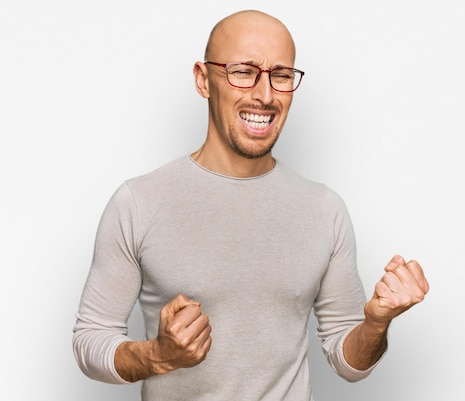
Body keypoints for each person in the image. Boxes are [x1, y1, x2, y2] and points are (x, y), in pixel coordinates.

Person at [72, 9, 429, 401]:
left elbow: (348, 364)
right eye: (243, 71)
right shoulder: (138, 202)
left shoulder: (325, 209)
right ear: (203, 79)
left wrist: (376, 324)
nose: (265, 95)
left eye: (281, 75)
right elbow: (91, 339)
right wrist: (157, 356)